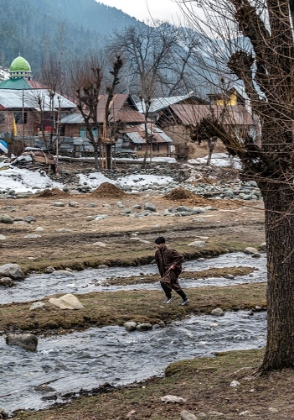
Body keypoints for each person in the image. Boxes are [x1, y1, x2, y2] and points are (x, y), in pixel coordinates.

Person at [154, 236, 189, 305]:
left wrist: (174, 265)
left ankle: (169, 297)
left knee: (163, 282)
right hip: (164, 271)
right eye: (156, 244)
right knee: (173, 284)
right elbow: (158, 263)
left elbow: (180, 257)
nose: (157, 246)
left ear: (163, 243)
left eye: (159, 244)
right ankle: (185, 299)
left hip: (172, 270)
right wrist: (161, 273)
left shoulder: (170, 251)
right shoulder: (157, 253)